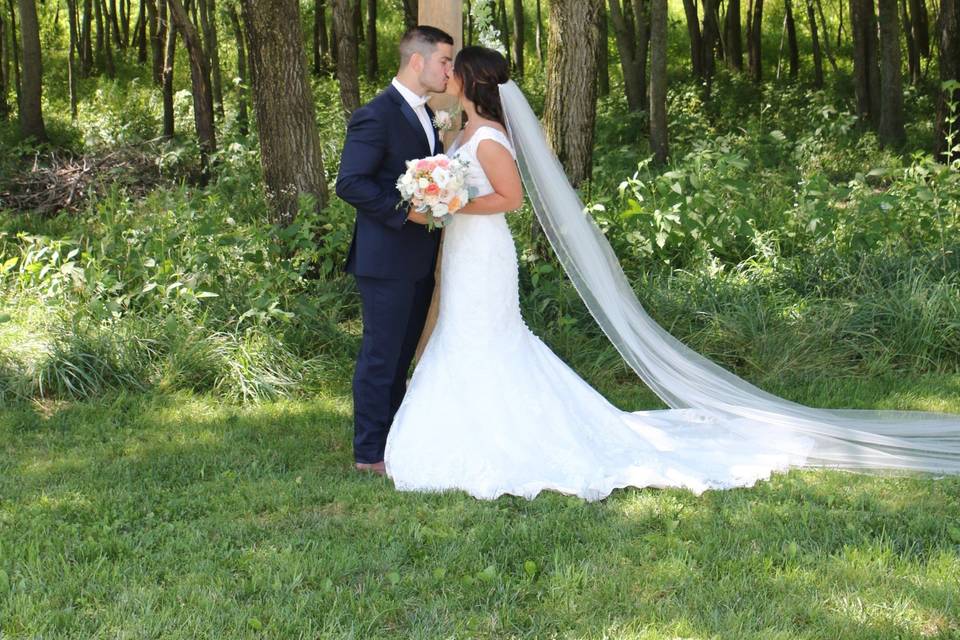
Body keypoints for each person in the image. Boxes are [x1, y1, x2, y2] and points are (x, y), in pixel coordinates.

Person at [382, 46, 960, 501]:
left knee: (487, 337)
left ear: (473, 80)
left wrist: (450, 205)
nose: (448, 75)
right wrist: (436, 200)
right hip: (461, 251)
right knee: (463, 334)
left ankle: (506, 437)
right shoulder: (458, 131)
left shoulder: (490, 138)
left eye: (455, 70)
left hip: (484, 252)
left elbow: (509, 200)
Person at [335, 26, 454, 476]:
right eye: (444, 61)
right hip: (385, 259)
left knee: (402, 354)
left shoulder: (429, 115)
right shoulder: (376, 115)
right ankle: (368, 455)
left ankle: (393, 442)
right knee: (381, 356)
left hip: (417, 260)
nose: (449, 70)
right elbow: (351, 183)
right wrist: (408, 215)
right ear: (417, 61)